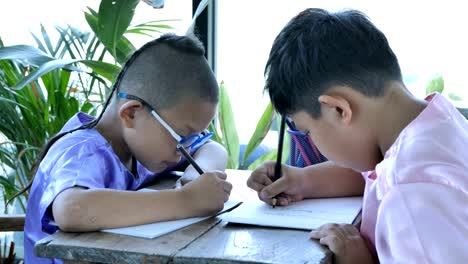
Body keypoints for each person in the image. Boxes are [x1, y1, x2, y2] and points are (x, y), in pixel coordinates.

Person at [248, 8, 468, 263]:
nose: (311, 139)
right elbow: (374, 173)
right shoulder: (437, 123)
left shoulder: (410, 199)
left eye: (308, 131)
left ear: (339, 109)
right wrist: (303, 180)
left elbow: (400, 182)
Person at [24, 33, 232, 263]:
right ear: (131, 113)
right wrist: (186, 201)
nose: (182, 150)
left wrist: (193, 179)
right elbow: (72, 209)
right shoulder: (82, 152)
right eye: (182, 137)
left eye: (191, 140)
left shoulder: (142, 144)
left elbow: (213, 149)